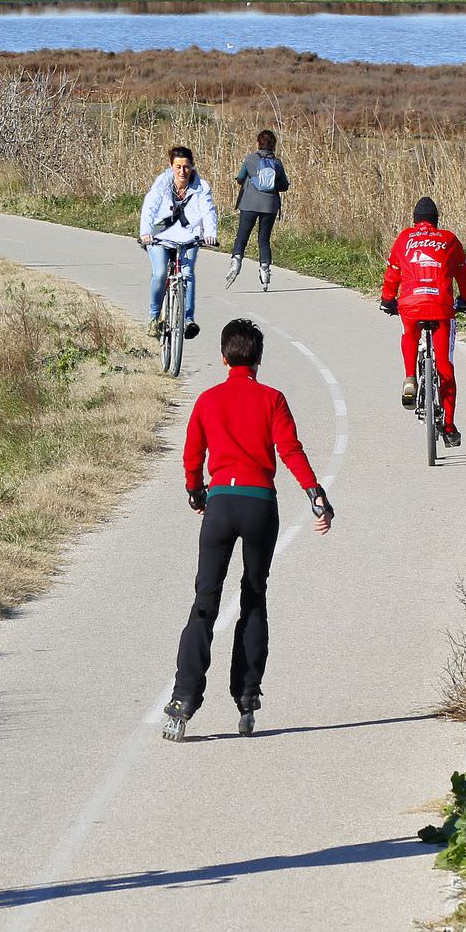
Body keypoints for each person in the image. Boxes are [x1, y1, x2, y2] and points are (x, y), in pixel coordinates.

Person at [164, 319, 333, 742]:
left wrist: (196, 494)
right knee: (254, 596)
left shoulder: (207, 399)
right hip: (260, 505)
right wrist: (315, 494)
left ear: (223, 357)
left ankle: (184, 700)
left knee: (205, 601)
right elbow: (290, 449)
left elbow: (192, 455)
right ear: (259, 358)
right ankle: (247, 696)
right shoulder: (272, 399)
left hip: (221, 504)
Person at [379, 197, 466, 448]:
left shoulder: (404, 239)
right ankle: (449, 425)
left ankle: (410, 377)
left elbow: (393, 272)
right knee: (445, 366)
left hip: (410, 304)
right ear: (436, 221)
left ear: (414, 220)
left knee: (409, 334)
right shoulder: (449, 239)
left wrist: (388, 300)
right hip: (441, 306)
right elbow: (463, 273)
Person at [138, 145, 220, 340]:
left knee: (187, 273)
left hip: (188, 236)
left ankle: (188, 319)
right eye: (178, 167)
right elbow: (149, 207)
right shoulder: (162, 184)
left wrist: (210, 233)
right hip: (160, 235)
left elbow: (208, 211)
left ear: (192, 166)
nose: (182, 171)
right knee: (159, 274)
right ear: (171, 166)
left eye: (186, 167)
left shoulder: (200, 187)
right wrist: (146, 232)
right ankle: (153, 317)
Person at [227, 129, 289, 291]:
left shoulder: (250, 159)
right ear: (273, 145)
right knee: (264, 239)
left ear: (258, 143)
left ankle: (236, 263)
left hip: (249, 204)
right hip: (270, 206)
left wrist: (249, 179)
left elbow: (240, 179)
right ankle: (265, 272)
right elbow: (284, 186)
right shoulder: (277, 163)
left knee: (242, 236)